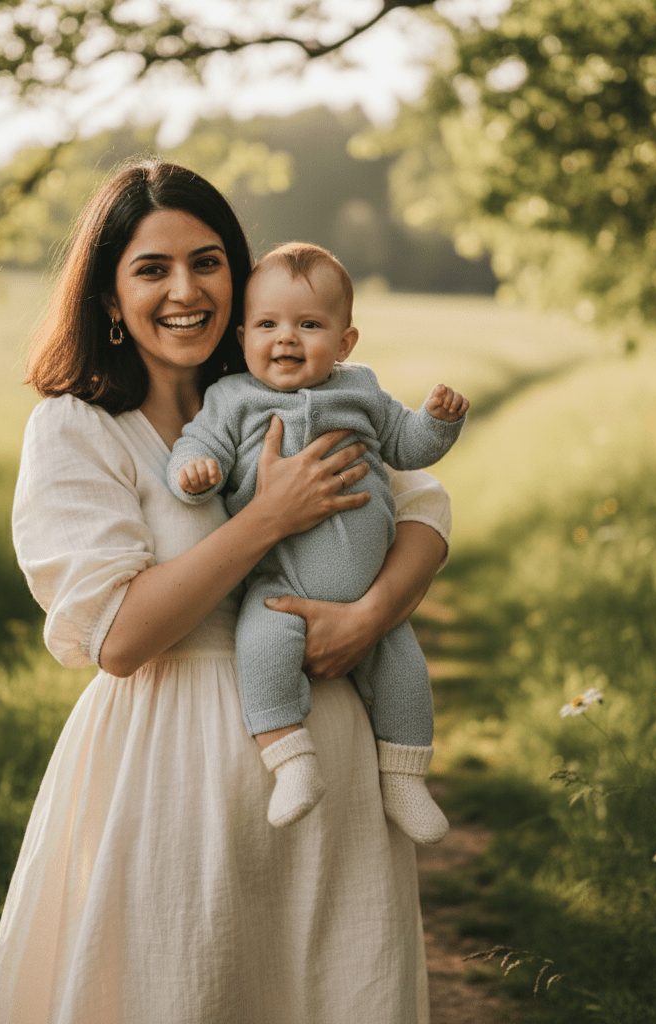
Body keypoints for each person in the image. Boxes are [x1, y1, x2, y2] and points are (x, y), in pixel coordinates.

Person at [0, 159, 453, 1024]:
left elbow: (422, 510)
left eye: (206, 262)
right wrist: (265, 519)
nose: (184, 290)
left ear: (238, 274)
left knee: (334, 989)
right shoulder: (78, 429)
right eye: (151, 270)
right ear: (110, 299)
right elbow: (118, 639)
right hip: (169, 767)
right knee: (181, 985)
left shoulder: (296, 384)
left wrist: (371, 616)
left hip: (331, 751)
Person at [166, 242, 468, 841]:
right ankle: (291, 760)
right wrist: (195, 472)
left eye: (309, 325)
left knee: (405, 671)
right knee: (262, 650)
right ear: (244, 334)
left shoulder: (360, 391)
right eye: (268, 325)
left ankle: (404, 777)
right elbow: (200, 446)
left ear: (345, 342)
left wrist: (437, 422)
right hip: (281, 585)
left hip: (368, 587)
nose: (286, 339)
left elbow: (408, 445)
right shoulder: (232, 399)